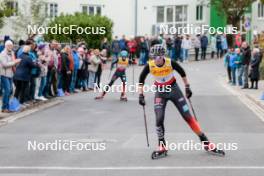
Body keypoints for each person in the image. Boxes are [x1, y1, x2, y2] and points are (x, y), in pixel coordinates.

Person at [138, 44, 224, 158]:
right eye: (154, 57)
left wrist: (187, 87)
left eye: (159, 57)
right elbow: (141, 80)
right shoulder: (149, 65)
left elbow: (182, 72)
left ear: (163, 56)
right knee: (159, 118)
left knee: (187, 117)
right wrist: (141, 95)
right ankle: (162, 145)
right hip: (160, 92)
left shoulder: (170, 62)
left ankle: (206, 142)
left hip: (174, 90)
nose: (156, 59)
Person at [0, 40, 21, 112]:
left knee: (11, 90)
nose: (11, 47)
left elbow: (14, 63)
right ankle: (4, 107)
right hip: (4, 74)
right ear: (6, 46)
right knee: (7, 90)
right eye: (9, 46)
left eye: (11, 46)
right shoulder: (2, 54)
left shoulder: (12, 53)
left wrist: (17, 62)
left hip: (11, 74)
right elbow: (5, 64)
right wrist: (14, 62)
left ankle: (7, 106)